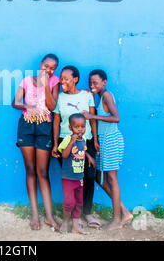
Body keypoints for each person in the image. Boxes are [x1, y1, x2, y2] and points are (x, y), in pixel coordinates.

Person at [12, 53, 61, 231]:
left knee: (43, 171)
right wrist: (26, 106)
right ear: (41, 64)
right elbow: (15, 102)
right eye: (46, 66)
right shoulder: (26, 80)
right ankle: (34, 215)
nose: (48, 70)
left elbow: (52, 106)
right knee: (30, 170)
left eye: (52, 68)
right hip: (26, 126)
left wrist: (46, 85)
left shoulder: (55, 82)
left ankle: (49, 216)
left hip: (44, 128)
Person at [81, 69, 133, 231]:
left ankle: (117, 220)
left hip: (111, 141)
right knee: (99, 177)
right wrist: (89, 93)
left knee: (111, 178)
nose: (92, 85)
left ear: (104, 82)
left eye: (95, 82)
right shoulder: (99, 96)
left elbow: (116, 118)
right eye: (90, 83)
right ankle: (124, 212)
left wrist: (93, 117)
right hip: (102, 142)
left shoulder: (107, 95)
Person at [51, 65, 101, 229]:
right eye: (61, 79)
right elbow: (56, 121)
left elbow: (92, 119)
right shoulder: (59, 97)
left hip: (85, 140)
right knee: (72, 178)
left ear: (75, 79)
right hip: (66, 142)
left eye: (66, 78)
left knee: (88, 177)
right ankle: (74, 216)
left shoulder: (87, 96)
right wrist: (55, 143)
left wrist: (95, 139)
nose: (62, 81)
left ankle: (86, 213)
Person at [56, 113, 95, 234]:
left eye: (82, 126)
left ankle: (75, 226)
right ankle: (65, 222)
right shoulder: (68, 139)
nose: (80, 129)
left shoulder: (83, 140)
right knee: (69, 202)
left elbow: (82, 150)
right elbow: (64, 155)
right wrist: (71, 141)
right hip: (68, 177)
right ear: (70, 128)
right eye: (76, 127)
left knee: (79, 202)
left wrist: (89, 156)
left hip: (79, 177)